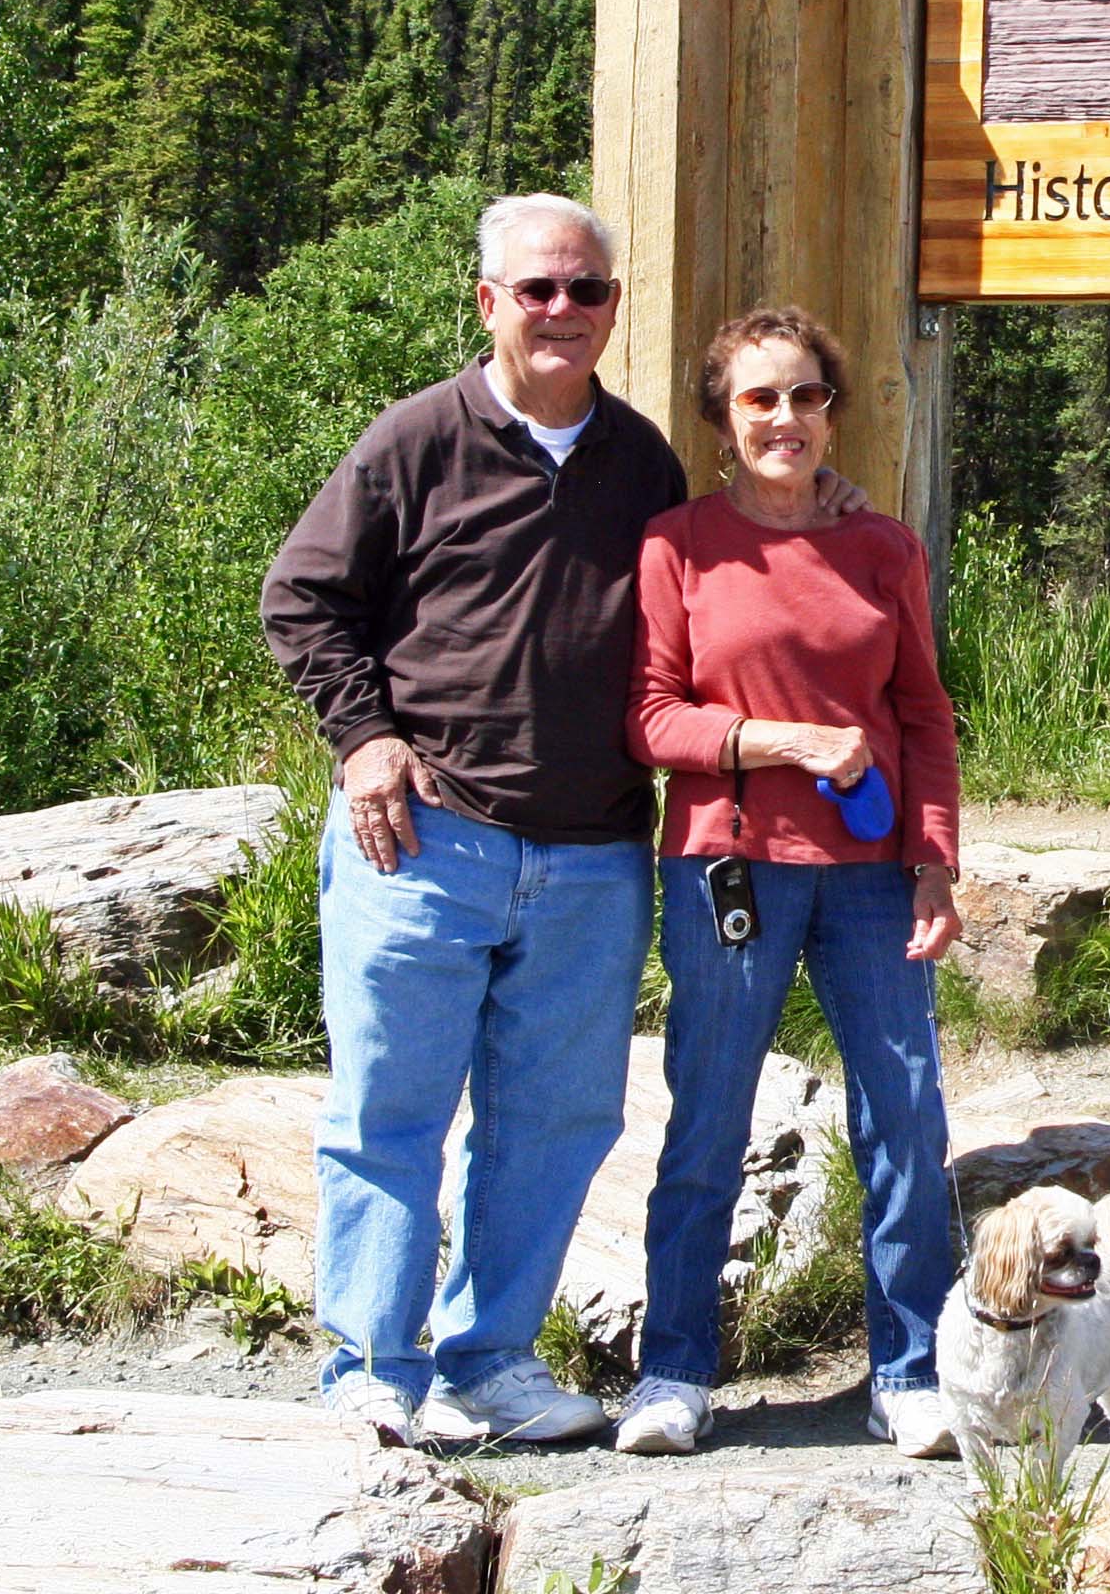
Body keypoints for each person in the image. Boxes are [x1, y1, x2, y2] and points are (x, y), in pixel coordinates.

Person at [259, 195, 851, 1446]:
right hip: (422, 837)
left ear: (612, 309)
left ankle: (490, 1362)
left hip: (591, 851)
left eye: (585, 291)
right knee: (389, 1110)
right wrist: (365, 739)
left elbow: (722, 572)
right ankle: (371, 1366)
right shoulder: (415, 440)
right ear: (488, 302)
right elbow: (301, 598)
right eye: (535, 290)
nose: (560, 312)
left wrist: (826, 515)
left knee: (556, 1120)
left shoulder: (640, 463)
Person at [615, 304, 967, 1458]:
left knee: (906, 1124)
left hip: (871, 880)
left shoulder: (884, 549)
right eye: (759, 397)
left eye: (806, 395)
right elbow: (653, 720)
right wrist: (787, 743)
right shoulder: (677, 545)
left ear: (832, 411)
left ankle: (910, 1371)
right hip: (729, 867)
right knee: (707, 1124)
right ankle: (672, 1375)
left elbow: (920, 713)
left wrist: (934, 860)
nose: (784, 418)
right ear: (723, 415)